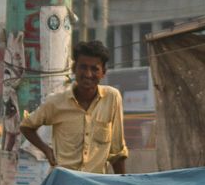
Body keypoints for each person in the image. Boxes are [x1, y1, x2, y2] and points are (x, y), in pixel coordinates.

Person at [20, 40, 127, 174]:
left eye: (94, 69)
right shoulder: (56, 102)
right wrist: (47, 151)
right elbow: (26, 126)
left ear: (103, 72)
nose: (88, 74)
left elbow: (117, 152)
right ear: (74, 69)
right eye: (83, 67)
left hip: (95, 184)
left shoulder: (112, 98)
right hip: (64, 183)